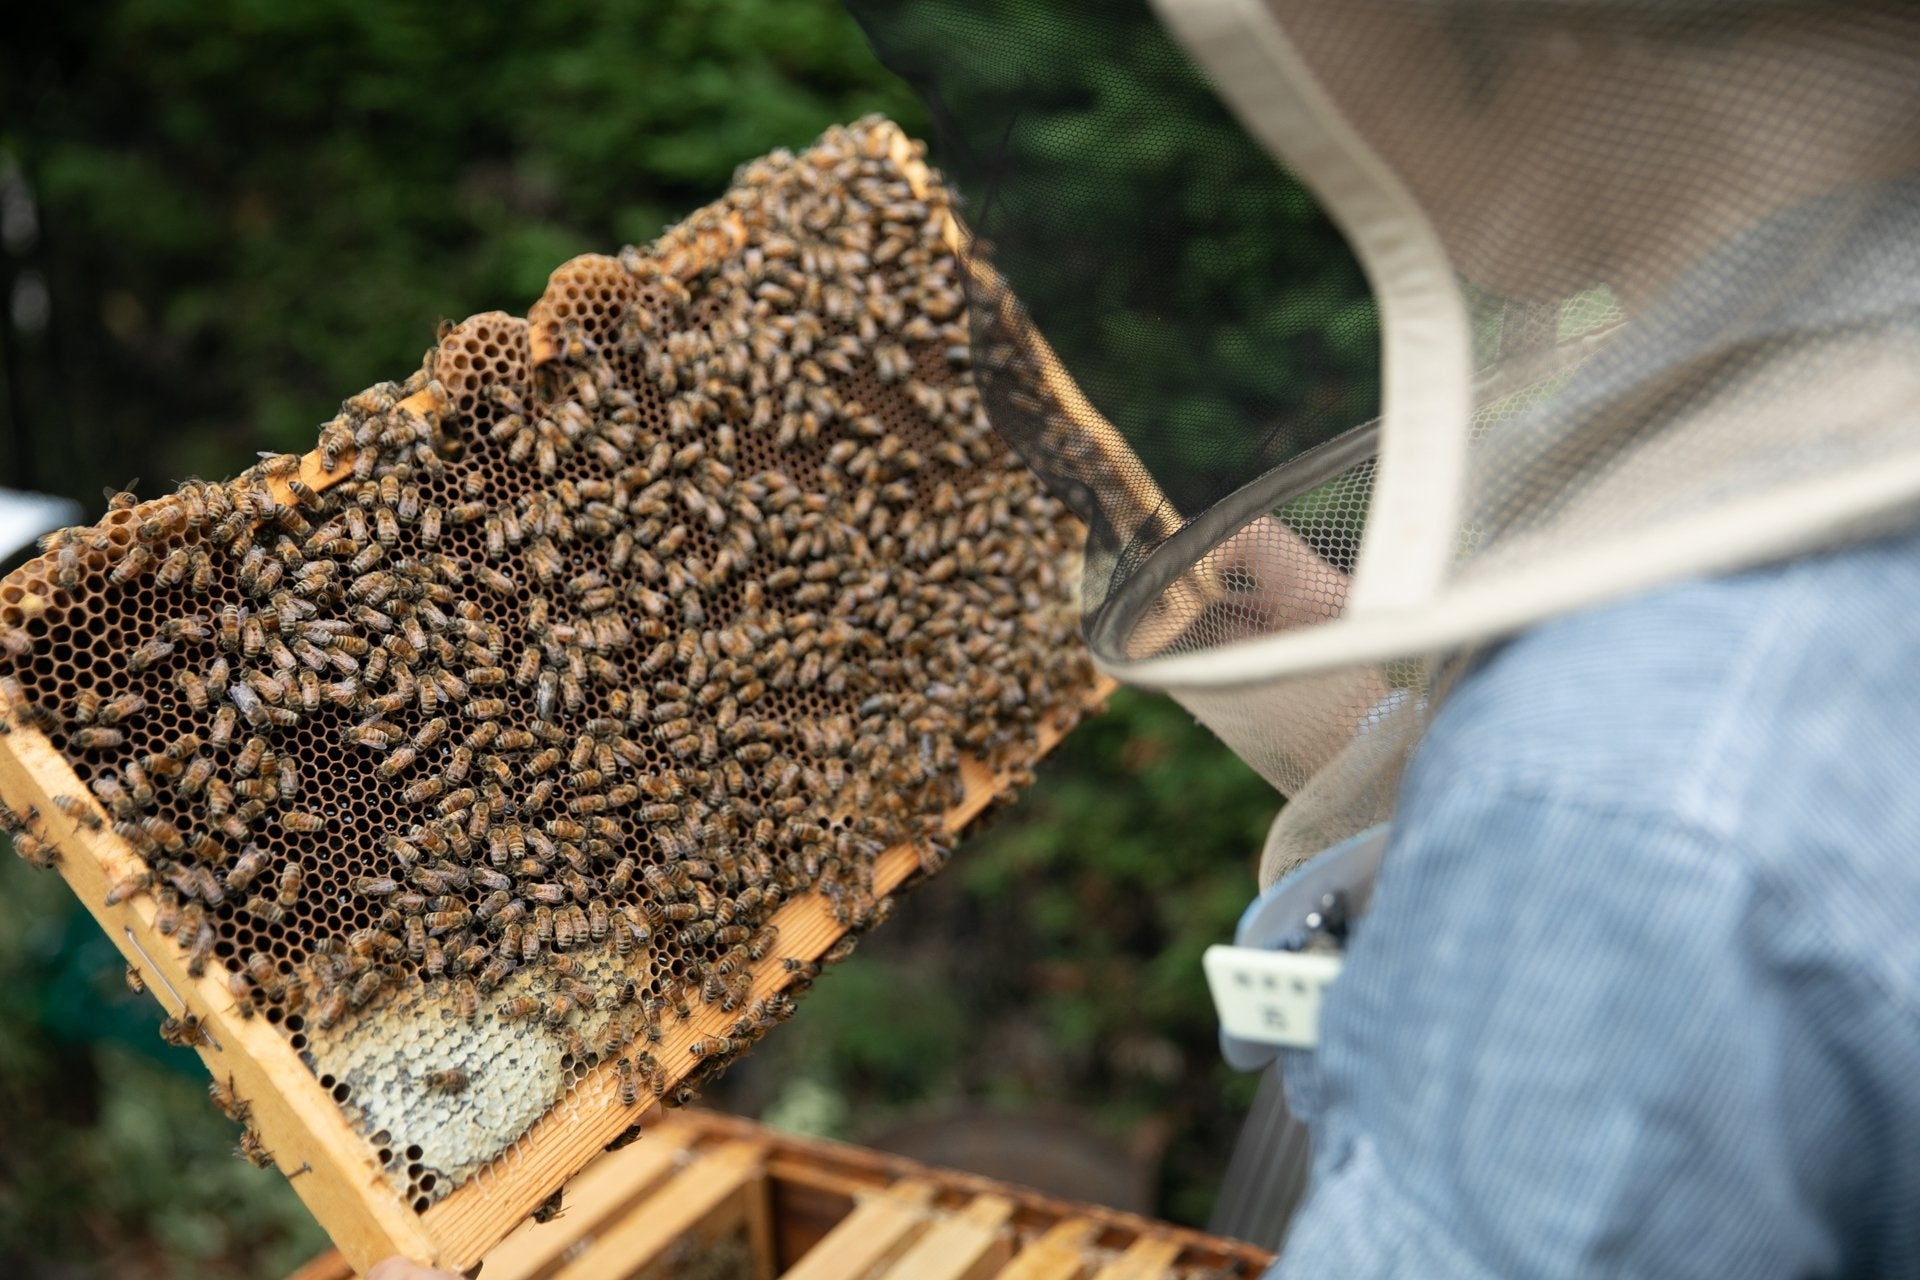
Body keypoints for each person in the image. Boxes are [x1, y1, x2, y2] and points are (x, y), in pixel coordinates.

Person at [375, 1, 1920, 1274]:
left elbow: (1639, 866)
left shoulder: (1613, 805)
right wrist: (1391, 745)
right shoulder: (1822, 438)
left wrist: (1510, 802)